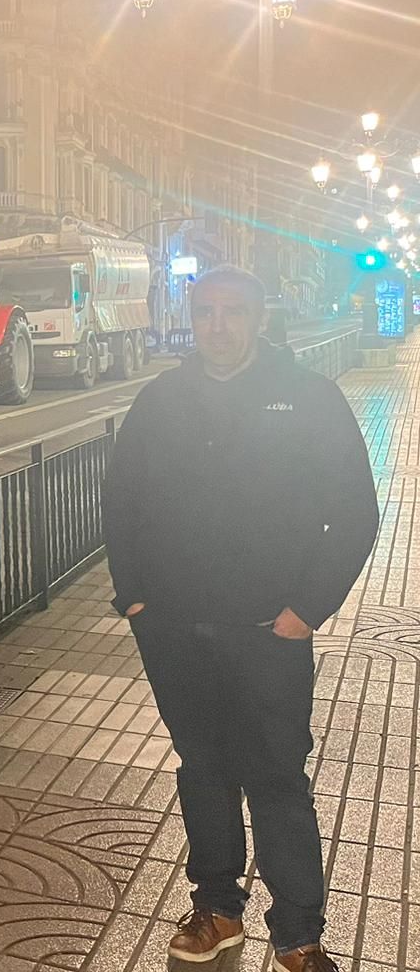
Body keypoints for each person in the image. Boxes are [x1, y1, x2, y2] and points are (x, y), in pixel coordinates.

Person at [105, 267, 378, 972]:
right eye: (206, 312)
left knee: (278, 776)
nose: (217, 325)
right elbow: (121, 502)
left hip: (267, 632)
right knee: (203, 770)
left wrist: (306, 610)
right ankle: (217, 908)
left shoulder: (307, 398)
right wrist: (135, 598)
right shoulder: (160, 401)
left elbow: (353, 512)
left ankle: (297, 932)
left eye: (232, 312)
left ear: (258, 318)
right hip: (175, 629)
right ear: (191, 319)